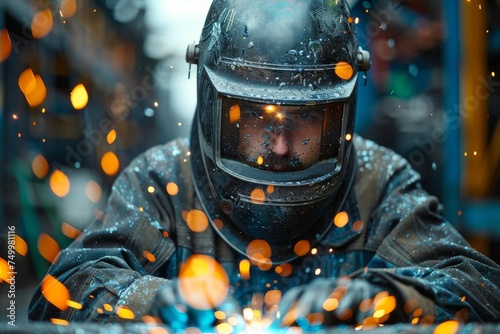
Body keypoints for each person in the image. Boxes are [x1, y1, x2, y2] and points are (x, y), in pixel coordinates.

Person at [29, 0, 500, 331]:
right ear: (214, 105)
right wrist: (159, 303)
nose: (278, 146)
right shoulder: (163, 182)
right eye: (254, 119)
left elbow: (481, 289)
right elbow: (62, 291)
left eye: (304, 121)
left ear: (338, 115)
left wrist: (386, 298)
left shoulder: (379, 184)